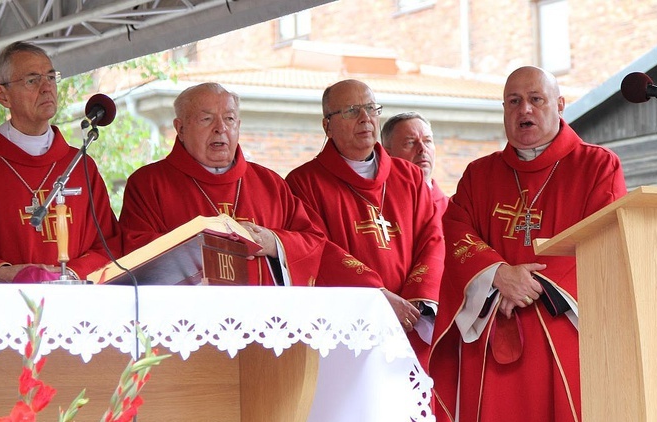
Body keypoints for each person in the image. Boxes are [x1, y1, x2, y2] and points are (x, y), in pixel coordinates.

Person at [429, 66, 627, 422]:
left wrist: (527, 284)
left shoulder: (596, 166)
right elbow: (455, 230)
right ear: (504, 110)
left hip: (563, 331)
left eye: (536, 100)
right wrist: (497, 274)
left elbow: (603, 239)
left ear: (559, 105)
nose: (525, 110)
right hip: (492, 332)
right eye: (514, 101)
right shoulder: (479, 175)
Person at [118, 82, 384, 288]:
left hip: (267, 327)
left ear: (239, 125)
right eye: (206, 119)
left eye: (230, 119)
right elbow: (135, 254)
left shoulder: (269, 183)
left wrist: (274, 241)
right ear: (180, 128)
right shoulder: (149, 184)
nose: (221, 128)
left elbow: (313, 241)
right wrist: (202, 244)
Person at [0, 41, 121, 283]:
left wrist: (68, 275)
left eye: (51, 77)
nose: (47, 87)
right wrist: (0, 273)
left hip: (73, 310)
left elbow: (110, 248)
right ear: (2, 95)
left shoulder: (81, 166)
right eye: (32, 80)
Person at [286, 79, 445, 366]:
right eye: (351, 111)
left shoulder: (408, 176)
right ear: (327, 126)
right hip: (349, 327)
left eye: (371, 108)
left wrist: (417, 300)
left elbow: (433, 238)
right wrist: (378, 297)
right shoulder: (304, 182)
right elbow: (316, 249)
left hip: (412, 321)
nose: (365, 119)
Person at [381, 112, 448, 218]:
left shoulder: (452, 210)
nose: (422, 149)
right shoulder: (378, 206)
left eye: (428, 141)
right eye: (410, 142)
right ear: (387, 154)